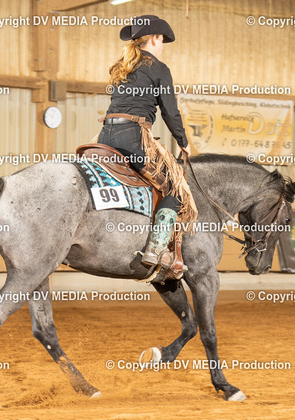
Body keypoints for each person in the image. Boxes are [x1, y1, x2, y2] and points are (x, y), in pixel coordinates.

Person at [95, 15, 197, 268]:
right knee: (175, 186)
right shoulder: (159, 69)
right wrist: (183, 141)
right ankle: (156, 248)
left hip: (105, 136)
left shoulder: (124, 66)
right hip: (133, 138)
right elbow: (170, 111)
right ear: (154, 39)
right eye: (161, 40)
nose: (161, 46)